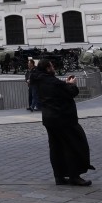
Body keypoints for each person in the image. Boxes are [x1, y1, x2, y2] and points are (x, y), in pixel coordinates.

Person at [29, 58, 94, 186]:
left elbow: (57, 90)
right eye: (52, 66)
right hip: (63, 118)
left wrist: (64, 84)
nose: (54, 68)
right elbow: (70, 93)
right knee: (74, 145)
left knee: (56, 148)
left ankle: (58, 176)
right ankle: (74, 176)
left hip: (49, 119)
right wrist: (72, 84)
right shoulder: (53, 82)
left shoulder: (39, 80)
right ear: (48, 68)